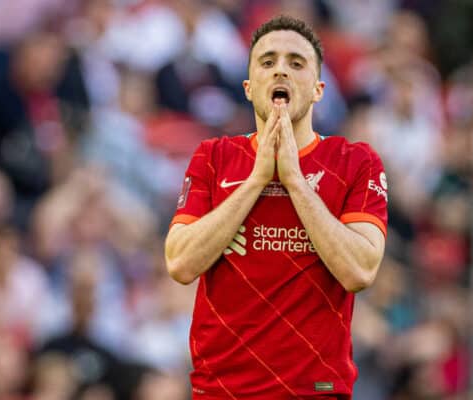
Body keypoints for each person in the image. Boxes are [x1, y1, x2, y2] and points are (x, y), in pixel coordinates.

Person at [164, 15, 388, 399]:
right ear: (249, 87)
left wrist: (296, 182)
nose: (281, 70)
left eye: (296, 63)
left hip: (314, 391)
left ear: (318, 89)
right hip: (221, 389)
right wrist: (256, 180)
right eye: (267, 62)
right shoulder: (214, 157)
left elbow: (360, 270)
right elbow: (179, 263)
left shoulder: (355, 161)